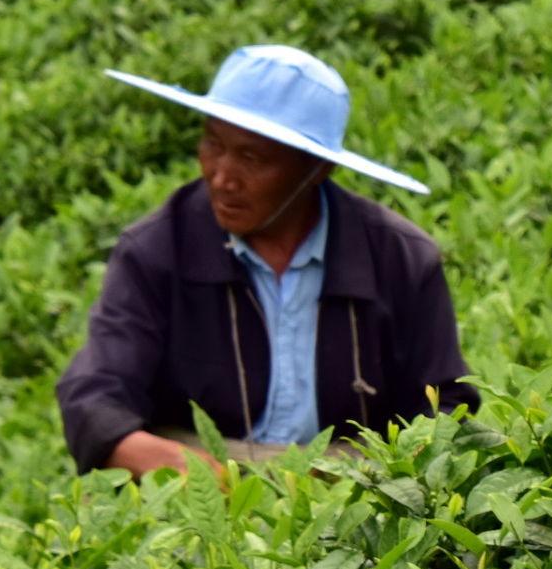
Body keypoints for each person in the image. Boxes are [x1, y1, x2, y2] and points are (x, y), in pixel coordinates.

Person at [57, 44, 479, 478]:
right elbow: (94, 397)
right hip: (196, 478)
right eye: (212, 145)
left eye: (252, 158)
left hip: (351, 482)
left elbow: (446, 409)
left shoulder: (400, 258)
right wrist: (192, 474)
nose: (221, 177)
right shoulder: (156, 250)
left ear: (317, 170)